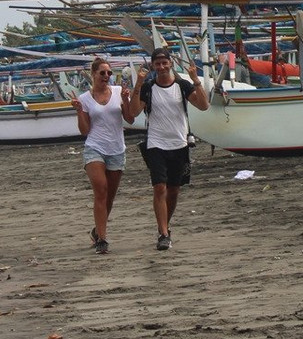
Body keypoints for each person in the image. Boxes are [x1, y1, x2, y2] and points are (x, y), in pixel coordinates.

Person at [127, 47, 209, 251]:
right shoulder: (148, 87)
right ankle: (163, 234)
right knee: (159, 188)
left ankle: (164, 225)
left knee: (173, 190)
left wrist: (195, 80)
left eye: (165, 63)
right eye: (158, 64)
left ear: (170, 63)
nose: (162, 67)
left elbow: (204, 105)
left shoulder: (182, 85)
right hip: (156, 144)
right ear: (153, 66)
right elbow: (134, 111)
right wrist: (138, 83)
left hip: (179, 144)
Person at [72, 58, 135, 255]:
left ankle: (97, 230)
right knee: (101, 190)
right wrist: (78, 111)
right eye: (102, 73)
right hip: (95, 147)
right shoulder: (84, 99)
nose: (106, 76)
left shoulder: (118, 92)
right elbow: (84, 130)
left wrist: (126, 100)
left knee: (109, 198)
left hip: (116, 149)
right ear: (93, 74)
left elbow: (130, 119)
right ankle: (102, 239)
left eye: (109, 73)